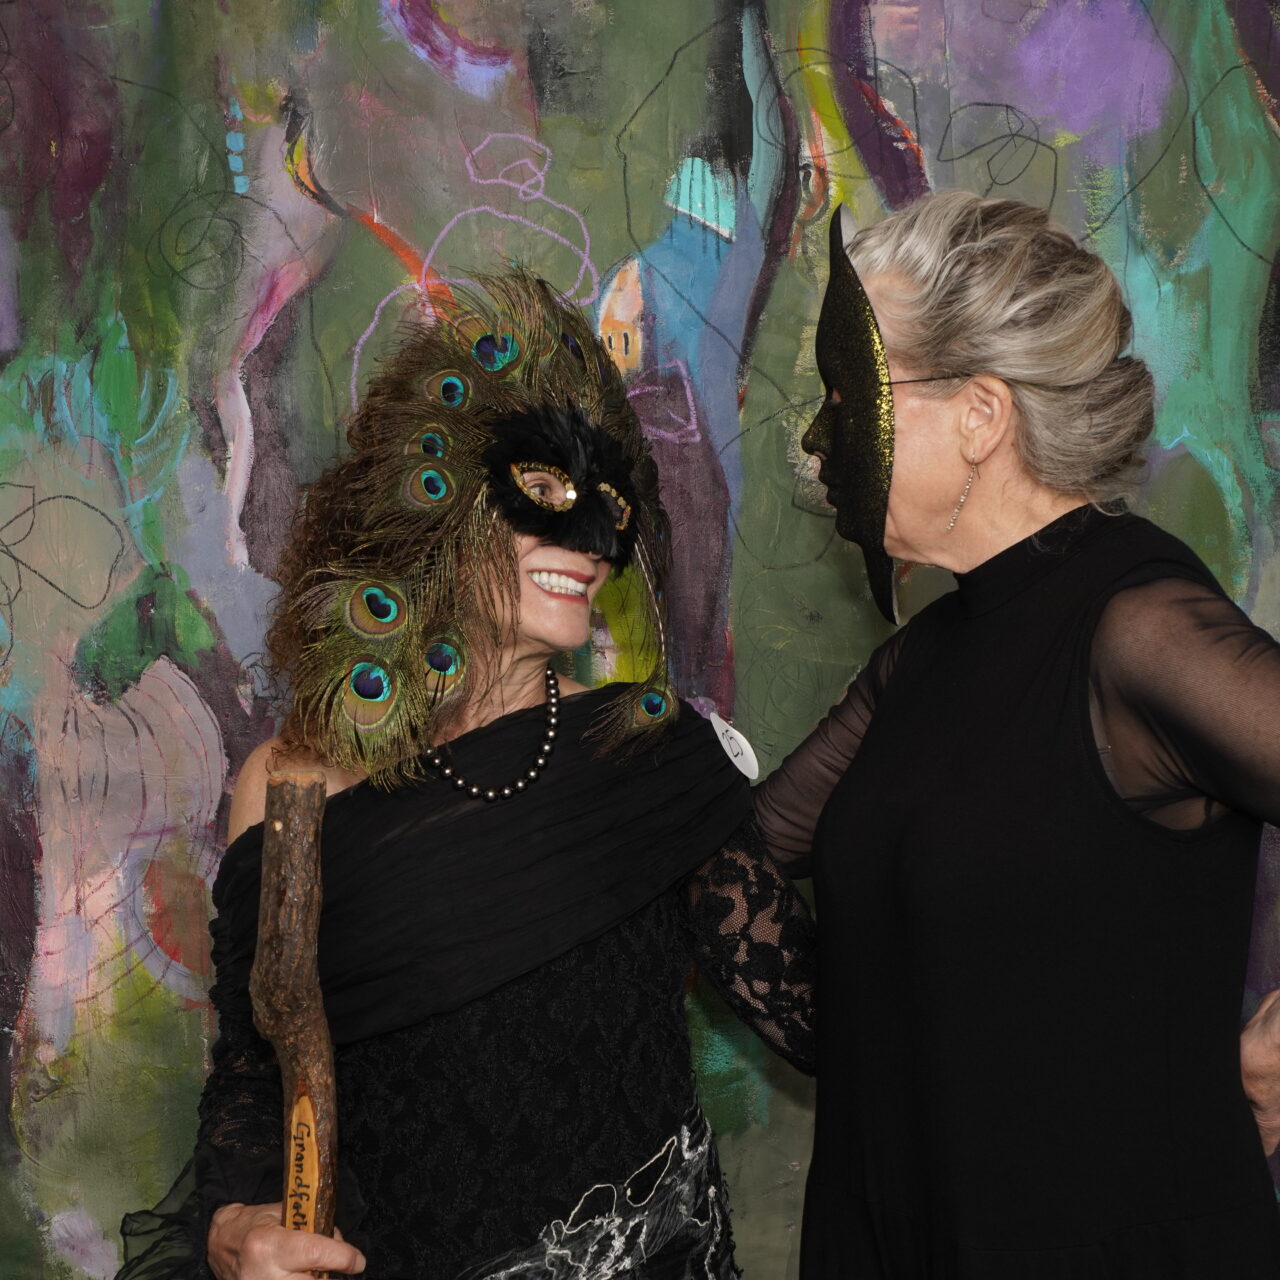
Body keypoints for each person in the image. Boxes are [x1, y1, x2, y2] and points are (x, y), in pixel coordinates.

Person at [117, 273, 814, 1280]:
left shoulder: (643, 750)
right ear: (437, 502)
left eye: (609, 509)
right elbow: (252, 1072)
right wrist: (236, 1222)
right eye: (546, 495)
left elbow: (818, 1014)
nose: (592, 546)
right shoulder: (293, 784)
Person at [755, 192, 1280, 1278]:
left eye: (854, 394)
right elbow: (743, 855)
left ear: (980, 414)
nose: (823, 432)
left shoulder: (1137, 626)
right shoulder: (921, 657)